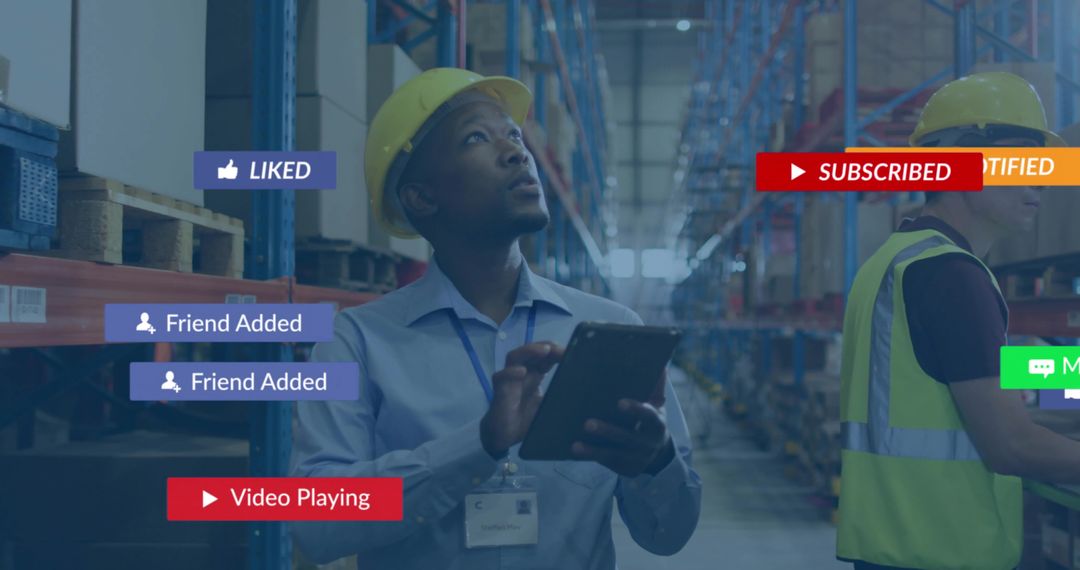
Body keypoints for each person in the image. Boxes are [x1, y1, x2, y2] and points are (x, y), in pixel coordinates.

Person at [291, 68, 701, 569]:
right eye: (477, 139)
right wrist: (478, 444)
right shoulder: (356, 342)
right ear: (421, 196)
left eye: (513, 134)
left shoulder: (612, 329)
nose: (516, 152)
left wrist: (656, 464)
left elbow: (670, 535)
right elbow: (314, 524)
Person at [837, 71, 1080, 570]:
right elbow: (1012, 446)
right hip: (942, 549)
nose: (1036, 179)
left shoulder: (897, 260)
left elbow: (964, 374)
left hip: (896, 546)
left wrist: (1071, 374)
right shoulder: (950, 275)